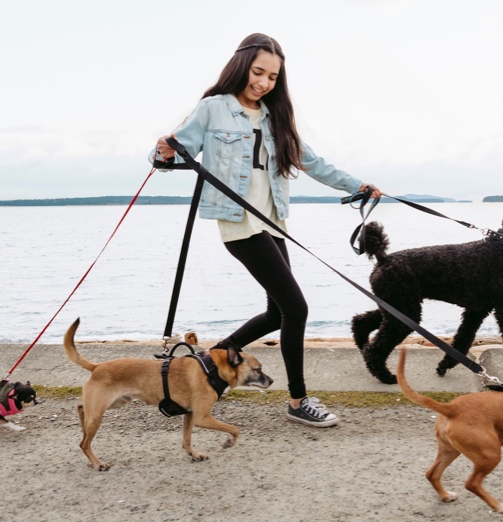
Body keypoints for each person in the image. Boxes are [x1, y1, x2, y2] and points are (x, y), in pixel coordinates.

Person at [150, 33, 380, 428]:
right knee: (297, 308)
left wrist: (357, 185)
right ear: (242, 66)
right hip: (239, 223)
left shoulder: (276, 116)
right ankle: (298, 400)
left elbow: (314, 162)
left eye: (272, 77)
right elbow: (170, 153)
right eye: (258, 72)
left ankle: (213, 358)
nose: (264, 83)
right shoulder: (213, 109)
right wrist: (162, 151)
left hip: (272, 221)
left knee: (277, 313)